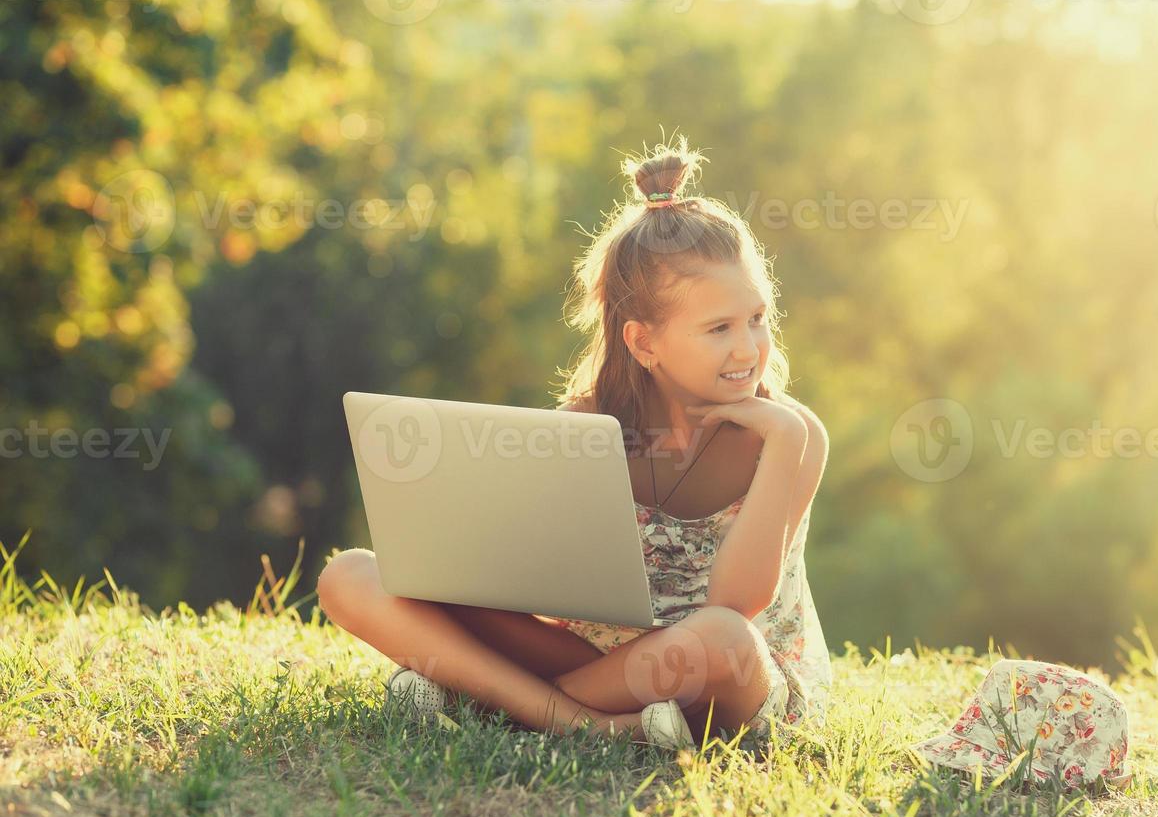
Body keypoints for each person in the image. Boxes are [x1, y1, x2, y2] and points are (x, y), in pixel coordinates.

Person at [315, 135, 833, 753]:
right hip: (596, 657)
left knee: (718, 638)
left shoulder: (791, 436)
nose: (748, 348)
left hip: (725, 675)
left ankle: (497, 701)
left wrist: (783, 438)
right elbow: (517, 576)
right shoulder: (582, 429)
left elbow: (736, 605)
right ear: (644, 343)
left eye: (757, 318)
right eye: (719, 329)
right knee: (348, 577)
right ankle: (587, 726)